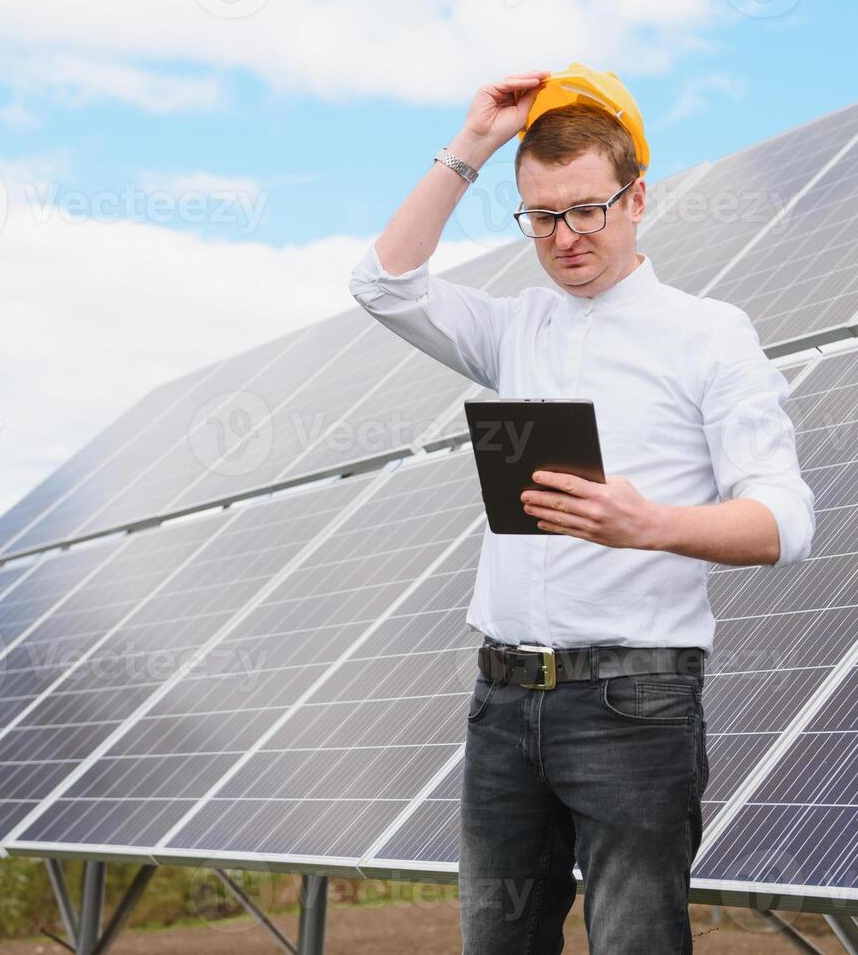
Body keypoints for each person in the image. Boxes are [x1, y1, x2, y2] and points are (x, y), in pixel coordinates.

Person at [348, 68, 815, 954]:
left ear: (637, 199)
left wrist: (651, 524)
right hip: (501, 703)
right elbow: (383, 283)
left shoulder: (709, 333)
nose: (564, 237)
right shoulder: (515, 328)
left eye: (587, 210)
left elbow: (786, 521)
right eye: (541, 217)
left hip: (634, 706)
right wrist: (475, 144)